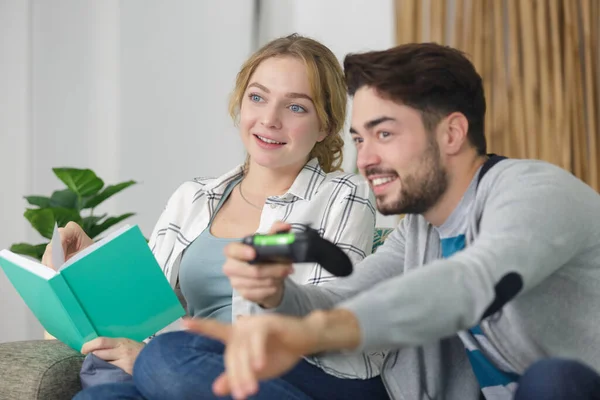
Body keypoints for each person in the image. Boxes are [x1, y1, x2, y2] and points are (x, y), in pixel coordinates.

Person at [185, 42, 600, 400]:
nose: (365, 160)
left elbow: (470, 284)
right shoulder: (420, 231)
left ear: (452, 134)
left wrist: (314, 333)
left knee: (553, 378)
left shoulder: (534, 192)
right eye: (359, 140)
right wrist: (278, 295)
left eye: (384, 135)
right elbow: (344, 297)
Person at [45, 34, 389, 399]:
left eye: (296, 107)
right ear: (241, 105)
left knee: (163, 360)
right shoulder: (193, 197)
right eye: (258, 98)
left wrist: (153, 360)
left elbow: (319, 323)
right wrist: (90, 264)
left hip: (303, 374)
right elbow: (153, 313)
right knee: (100, 396)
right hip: (194, 375)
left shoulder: (344, 194)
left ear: (325, 126)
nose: (270, 119)